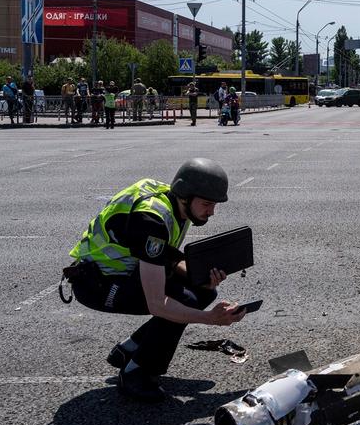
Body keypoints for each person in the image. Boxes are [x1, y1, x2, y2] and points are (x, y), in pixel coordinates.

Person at [64, 158, 246, 401]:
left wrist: (202, 278)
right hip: (97, 285)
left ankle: (130, 350)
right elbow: (157, 304)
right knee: (185, 300)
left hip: (119, 274)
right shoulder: (152, 219)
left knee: (203, 291)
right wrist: (210, 319)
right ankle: (136, 373)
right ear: (185, 196)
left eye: (214, 205)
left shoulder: (169, 200)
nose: (211, 212)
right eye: (206, 204)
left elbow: (164, 256)